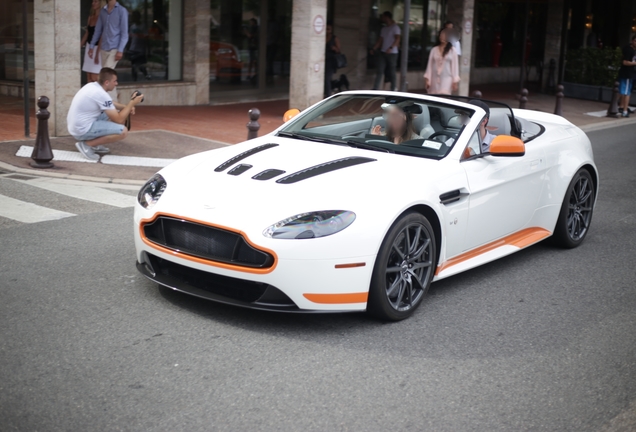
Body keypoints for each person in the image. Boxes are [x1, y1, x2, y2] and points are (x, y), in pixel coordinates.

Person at [67, 68, 143, 161]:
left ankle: (94, 144)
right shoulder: (101, 94)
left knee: (113, 112)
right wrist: (132, 103)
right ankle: (87, 145)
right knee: (123, 131)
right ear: (107, 82)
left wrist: (126, 107)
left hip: (76, 126)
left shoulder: (92, 86)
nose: (116, 84)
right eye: (114, 81)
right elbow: (118, 119)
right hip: (81, 130)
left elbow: (111, 103)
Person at [87, 0, 128, 101]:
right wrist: (92, 45)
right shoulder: (103, 11)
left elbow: (124, 33)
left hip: (114, 49)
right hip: (104, 48)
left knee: (107, 77)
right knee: (107, 78)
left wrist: (120, 50)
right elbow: (98, 30)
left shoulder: (122, 11)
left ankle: (111, 106)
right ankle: (112, 104)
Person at [370, 11, 401, 91]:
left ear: (387, 17)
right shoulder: (384, 29)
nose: (382, 18)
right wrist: (374, 48)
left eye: (383, 16)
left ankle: (393, 88)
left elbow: (397, 39)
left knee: (392, 71)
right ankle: (375, 88)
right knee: (380, 70)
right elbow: (380, 40)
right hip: (383, 52)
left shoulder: (395, 28)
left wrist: (391, 48)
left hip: (392, 53)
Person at [424, 29, 460, 95]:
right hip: (434, 79)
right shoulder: (434, 50)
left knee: (444, 98)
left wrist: (455, 82)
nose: (442, 37)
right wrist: (427, 79)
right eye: (441, 35)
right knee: (434, 98)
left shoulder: (453, 50)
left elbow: (455, 67)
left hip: (447, 79)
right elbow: (429, 65)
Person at [80, 0, 104, 83]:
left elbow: (102, 36)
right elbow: (87, 33)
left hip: (98, 47)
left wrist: (97, 54)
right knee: (89, 77)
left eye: (96, 1)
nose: (93, 3)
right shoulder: (91, 17)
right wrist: (80, 45)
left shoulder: (103, 17)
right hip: (89, 47)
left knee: (95, 77)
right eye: (93, 1)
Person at [128, 10, 150, 81]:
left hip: (140, 49)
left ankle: (146, 75)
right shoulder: (132, 27)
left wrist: (147, 49)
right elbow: (130, 38)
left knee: (141, 65)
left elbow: (146, 38)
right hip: (133, 49)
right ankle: (134, 79)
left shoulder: (143, 26)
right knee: (133, 66)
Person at [618, 35, 636, 117]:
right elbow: (625, 62)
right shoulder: (629, 50)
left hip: (631, 73)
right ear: (632, 41)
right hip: (627, 73)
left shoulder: (632, 50)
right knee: (626, 92)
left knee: (624, 90)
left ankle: (622, 107)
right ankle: (624, 110)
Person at [324, 22, 341, 98]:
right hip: (322, 60)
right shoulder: (322, 37)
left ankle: (328, 95)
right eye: (326, 29)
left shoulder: (334, 38)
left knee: (327, 78)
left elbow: (339, 50)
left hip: (330, 61)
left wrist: (334, 48)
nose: (327, 31)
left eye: (329, 29)